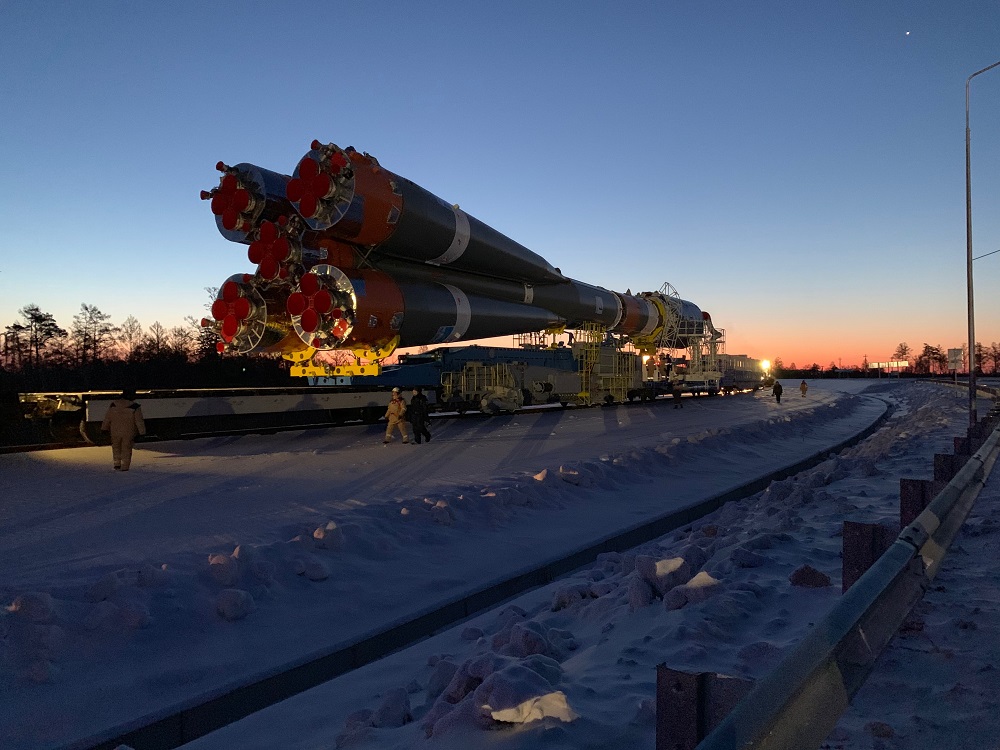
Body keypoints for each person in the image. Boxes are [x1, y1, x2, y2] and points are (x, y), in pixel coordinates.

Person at [100, 388, 146, 471]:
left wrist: (104, 428)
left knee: (116, 447)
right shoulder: (135, 407)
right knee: (126, 448)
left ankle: (117, 464)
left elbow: (107, 418)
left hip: (115, 431)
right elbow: (139, 422)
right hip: (129, 432)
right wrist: (142, 433)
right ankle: (125, 466)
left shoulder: (113, 405)